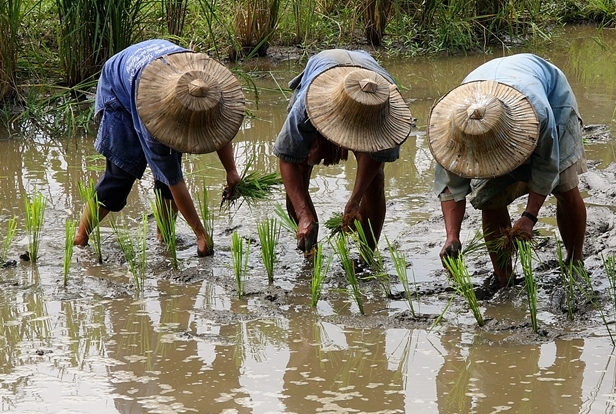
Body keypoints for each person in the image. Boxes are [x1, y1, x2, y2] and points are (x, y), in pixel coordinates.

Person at [73, 39, 246, 257]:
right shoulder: (157, 120)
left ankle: (163, 238)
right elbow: (174, 180)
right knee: (120, 176)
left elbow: (218, 128)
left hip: (165, 74)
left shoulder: (203, 85)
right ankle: (80, 239)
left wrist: (231, 171)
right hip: (120, 88)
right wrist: (201, 234)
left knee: (167, 173)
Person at [427, 53, 587, 288]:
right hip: (481, 96)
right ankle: (504, 278)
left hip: (551, 97)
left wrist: (529, 217)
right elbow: (451, 186)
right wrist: (452, 236)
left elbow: (547, 168)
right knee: (490, 198)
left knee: (565, 186)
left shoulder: (539, 113)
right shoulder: (450, 131)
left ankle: (575, 260)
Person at [273, 49, 413, 254]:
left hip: (371, 79)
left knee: (375, 184)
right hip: (325, 70)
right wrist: (303, 214)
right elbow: (287, 159)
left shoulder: (387, 111)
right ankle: (310, 248)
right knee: (301, 165)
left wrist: (354, 201)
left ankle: (367, 254)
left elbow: (374, 163)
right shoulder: (306, 106)